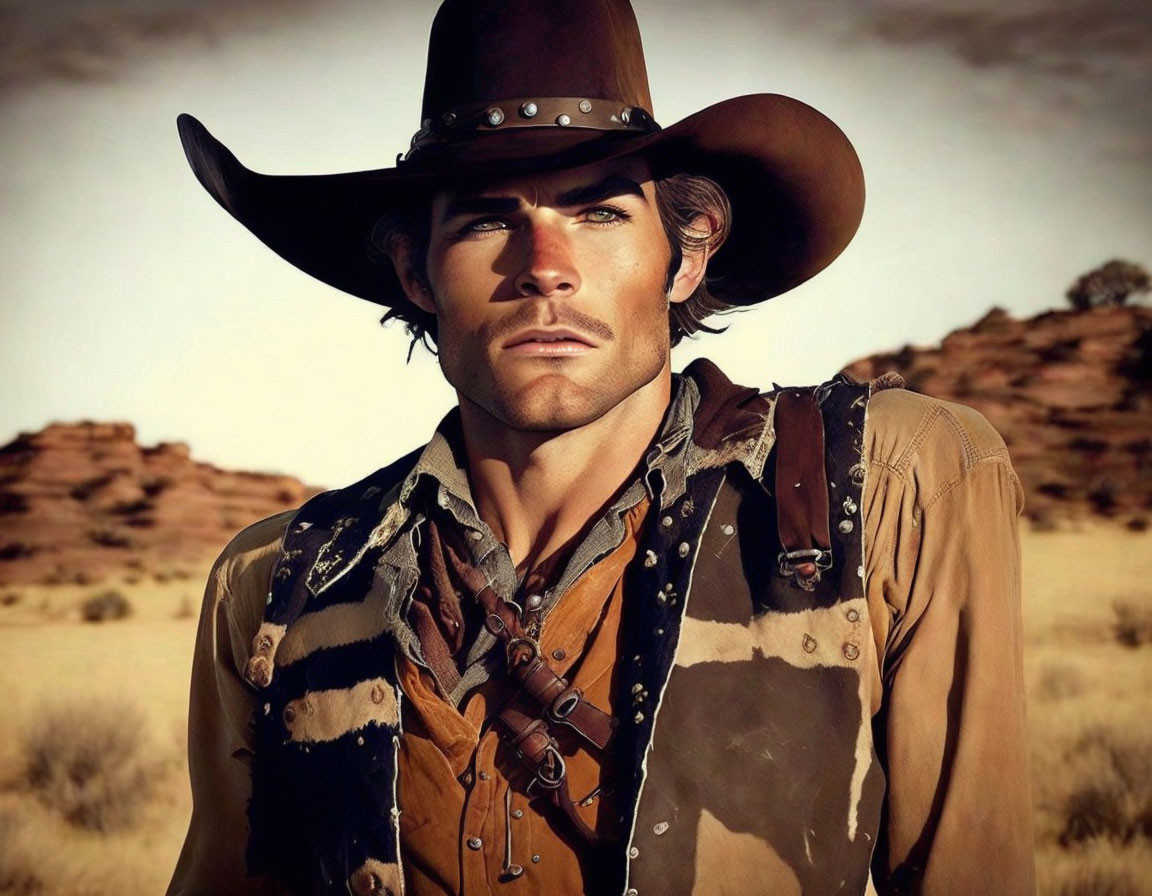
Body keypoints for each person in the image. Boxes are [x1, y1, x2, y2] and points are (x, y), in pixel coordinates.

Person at [168, 1, 1035, 894]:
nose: (545, 264)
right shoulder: (276, 584)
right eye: (483, 221)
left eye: (599, 213)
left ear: (686, 257)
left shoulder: (890, 480)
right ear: (414, 272)